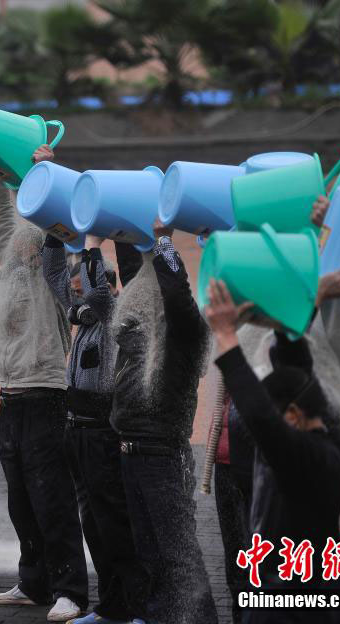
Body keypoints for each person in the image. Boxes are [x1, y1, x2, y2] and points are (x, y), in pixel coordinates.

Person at [206, 280, 340, 624]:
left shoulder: (317, 460)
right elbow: (293, 356)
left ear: (292, 416)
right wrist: (312, 297)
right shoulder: (315, 425)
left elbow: (263, 421)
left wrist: (226, 337)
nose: (260, 443)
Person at [0, 144, 88, 622]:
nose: (20, 244)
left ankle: (71, 589)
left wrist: (47, 170)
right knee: (21, 498)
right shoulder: (9, 267)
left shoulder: (54, 276)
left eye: (32, 239)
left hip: (47, 395)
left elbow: (55, 223)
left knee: (53, 498)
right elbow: (2, 215)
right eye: (19, 241)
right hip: (10, 396)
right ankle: (33, 581)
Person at [109, 220, 218, 623]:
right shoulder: (141, 330)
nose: (137, 297)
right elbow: (133, 274)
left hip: (163, 455)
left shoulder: (187, 328)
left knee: (178, 556)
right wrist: (122, 228)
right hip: (131, 452)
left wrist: (164, 241)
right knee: (150, 555)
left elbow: (174, 292)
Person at [44, 229, 150, 624]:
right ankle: (110, 607)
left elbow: (98, 294)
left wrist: (92, 244)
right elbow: (54, 280)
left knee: (114, 525)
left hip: (103, 433)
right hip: (77, 430)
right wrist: (53, 233)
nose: (75, 295)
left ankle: (134, 607)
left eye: (82, 286)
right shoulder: (85, 316)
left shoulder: (113, 314)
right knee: (93, 526)